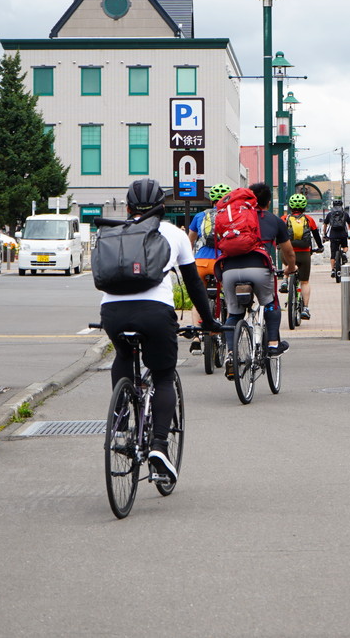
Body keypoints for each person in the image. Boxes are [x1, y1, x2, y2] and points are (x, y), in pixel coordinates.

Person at [99, 178, 220, 486]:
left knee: (123, 354)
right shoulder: (175, 234)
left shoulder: (113, 231)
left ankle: (122, 419)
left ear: (127, 208)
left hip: (112, 313)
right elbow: (194, 284)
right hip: (155, 312)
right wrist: (209, 322)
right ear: (162, 209)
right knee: (164, 375)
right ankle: (159, 446)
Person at [218, 182, 297, 377]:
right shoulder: (274, 220)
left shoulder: (235, 219)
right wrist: (291, 267)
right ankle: (272, 344)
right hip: (258, 267)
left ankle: (230, 355)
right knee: (270, 303)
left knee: (234, 314)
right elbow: (288, 252)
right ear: (268, 202)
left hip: (228, 270)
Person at [283, 193, 323, 319]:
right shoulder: (309, 220)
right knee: (304, 281)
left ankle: (285, 280)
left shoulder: (284, 219)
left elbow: (278, 236)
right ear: (304, 206)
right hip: (304, 253)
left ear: (290, 206)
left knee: (289, 265)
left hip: (287, 252)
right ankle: (305, 308)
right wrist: (320, 248)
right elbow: (317, 237)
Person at [188, 183, 231, 284]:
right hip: (224, 263)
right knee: (230, 295)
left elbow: (190, 241)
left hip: (201, 262)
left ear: (211, 201)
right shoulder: (232, 216)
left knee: (198, 295)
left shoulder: (200, 215)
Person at [322, 197, 350, 277]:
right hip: (343, 234)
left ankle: (333, 270)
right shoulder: (345, 213)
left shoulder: (330, 214)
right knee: (345, 246)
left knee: (333, 254)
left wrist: (325, 234)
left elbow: (325, 225)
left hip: (333, 235)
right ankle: (343, 253)